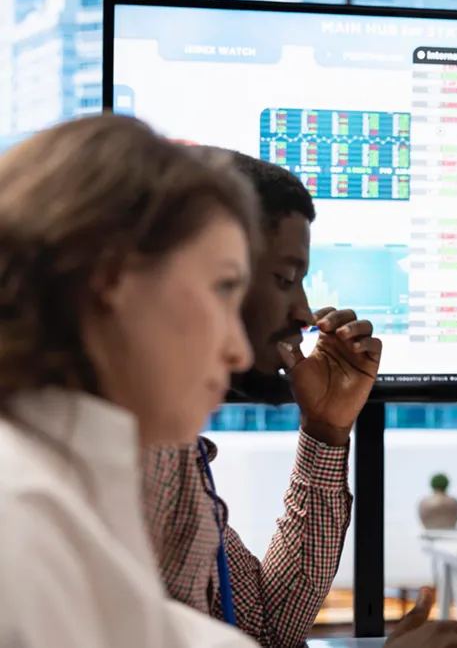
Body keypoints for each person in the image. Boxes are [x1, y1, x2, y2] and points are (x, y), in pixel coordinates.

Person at [143, 148, 457, 648]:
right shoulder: (128, 460)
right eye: (284, 279)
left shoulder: (170, 449)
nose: (306, 314)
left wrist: (326, 433)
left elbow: (268, 628)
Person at [0, 115, 262, 646]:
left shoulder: (71, 484)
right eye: (223, 288)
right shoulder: (20, 519)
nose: (240, 352)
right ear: (111, 274)